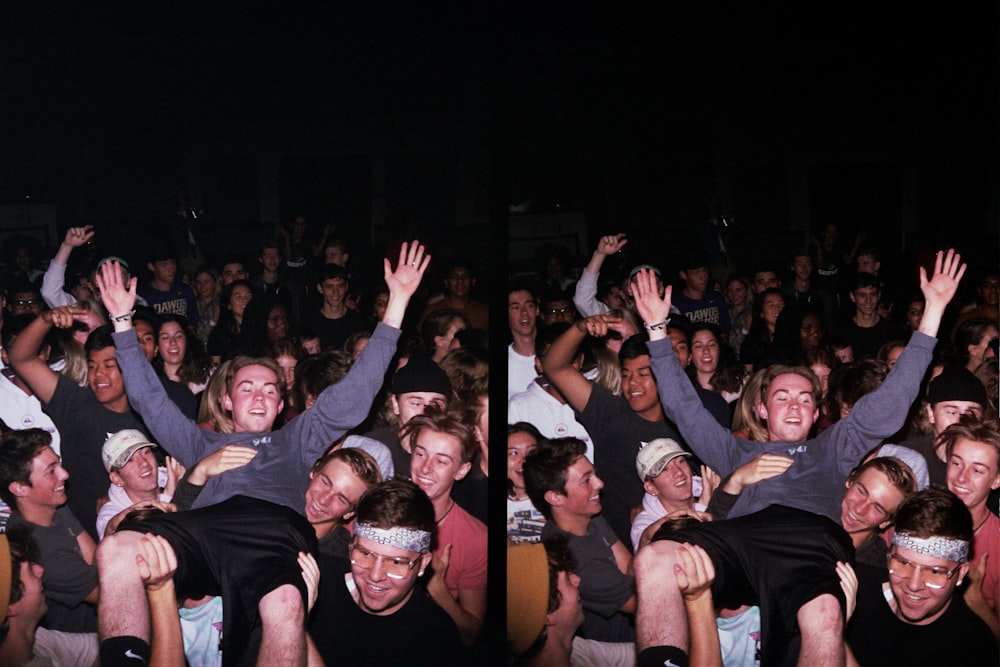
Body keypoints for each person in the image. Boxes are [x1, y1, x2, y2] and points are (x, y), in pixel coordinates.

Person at [92, 241, 428, 666]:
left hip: (274, 530)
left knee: (286, 604)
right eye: (246, 388)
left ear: (280, 402)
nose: (258, 396)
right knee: (117, 550)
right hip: (206, 529)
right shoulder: (201, 442)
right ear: (227, 401)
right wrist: (122, 321)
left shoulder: (296, 438)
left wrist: (397, 302)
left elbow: (355, 395)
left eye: (269, 390)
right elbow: (149, 401)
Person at [628, 248, 964, 665]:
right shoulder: (736, 450)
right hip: (744, 540)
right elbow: (684, 409)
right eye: (781, 397)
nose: (793, 406)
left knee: (825, 612)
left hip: (811, 541)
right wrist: (657, 330)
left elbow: (891, 404)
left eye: (805, 399)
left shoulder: (832, 446)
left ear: (816, 410)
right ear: (763, 408)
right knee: (655, 558)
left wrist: (933, 312)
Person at [8, 315, 152, 541]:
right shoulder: (75, 402)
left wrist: (118, 497)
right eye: (92, 366)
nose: (98, 375)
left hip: (139, 537)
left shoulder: (151, 416)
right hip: (81, 541)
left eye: (109, 365)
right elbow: (21, 358)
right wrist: (46, 319)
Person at [542, 317, 684, 547]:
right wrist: (580, 327)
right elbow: (554, 366)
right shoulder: (610, 412)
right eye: (626, 374)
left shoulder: (684, 423)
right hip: (616, 549)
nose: (632, 384)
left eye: (643, 374)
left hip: (675, 542)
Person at [310, 479, 463, 666]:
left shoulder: (436, 639)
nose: (375, 575)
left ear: (422, 564)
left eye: (396, 562)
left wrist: (297, 625)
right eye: (365, 553)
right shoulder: (317, 579)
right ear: (351, 547)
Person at [845, 488, 997, 665]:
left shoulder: (974, 647)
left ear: (961, 573)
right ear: (888, 557)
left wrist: (835, 633)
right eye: (903, 563)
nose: (914, 584)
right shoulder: (854, 588)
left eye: (934, 572)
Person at [523, 437, 636, 643]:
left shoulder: (587, 515)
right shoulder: (575, 562)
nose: (599, 484)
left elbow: (629, 566)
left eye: (594, 474)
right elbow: (646, 603)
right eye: (586, 480)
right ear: (555, 497)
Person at [0, 428, 99, 633]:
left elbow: (96, 558)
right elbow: (109, 591)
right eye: (51, 471)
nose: (64, 474)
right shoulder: (37, 552)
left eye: (59, 464)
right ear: (19, 488)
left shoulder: (53, 506)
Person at [404, 407, 487, 646]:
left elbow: (472, 635)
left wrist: (438, 589)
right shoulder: (379, 507)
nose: (425, 468)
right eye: (420, 454)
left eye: (441, 461)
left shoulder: (476, 539)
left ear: (461, 471)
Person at [506, 536, 635, 667]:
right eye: (567, 579)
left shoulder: (577, 650)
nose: (577, 579)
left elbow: (641, 654)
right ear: (547, 616)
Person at [0, 525, 100, 667]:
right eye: (30, 571)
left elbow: (101, 647)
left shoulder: (40, 639)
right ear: (10, 608)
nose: (40, 570)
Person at [939, 416, 1000, 636]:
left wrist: (974, 596)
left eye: (977, 470)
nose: (961, 478)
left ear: (996, 480)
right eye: (956, 463)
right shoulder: (914, 517)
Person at [507, 322, 595, 461]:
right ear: (539, 364)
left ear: (581, 360)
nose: (563, 368)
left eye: (571, 360)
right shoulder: (518, 407)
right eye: (553, 360)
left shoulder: (597, 402)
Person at [364, 352, 452, 476]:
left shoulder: (453, 454)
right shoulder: (371, 448)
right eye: (416, 403)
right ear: (396, 404)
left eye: (435, 404)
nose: (424, 412)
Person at [95, 429, 176, 540]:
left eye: (146, 452)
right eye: (130, 460)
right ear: (116, 478)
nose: (144, 463)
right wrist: (169, 498)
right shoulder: (111, 514)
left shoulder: (180, 480)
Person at [304, 263, 368, 351]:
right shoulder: (310, 322)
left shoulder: (357, 322)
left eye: (340, 286)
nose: (335, 293)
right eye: (329, 287)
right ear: (320, 288)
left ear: (346, 287)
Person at [508, 280, 541, 400]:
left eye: (529, 306)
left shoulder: (555, 353)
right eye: (516, 308)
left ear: (537, 310)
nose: (524, 313)